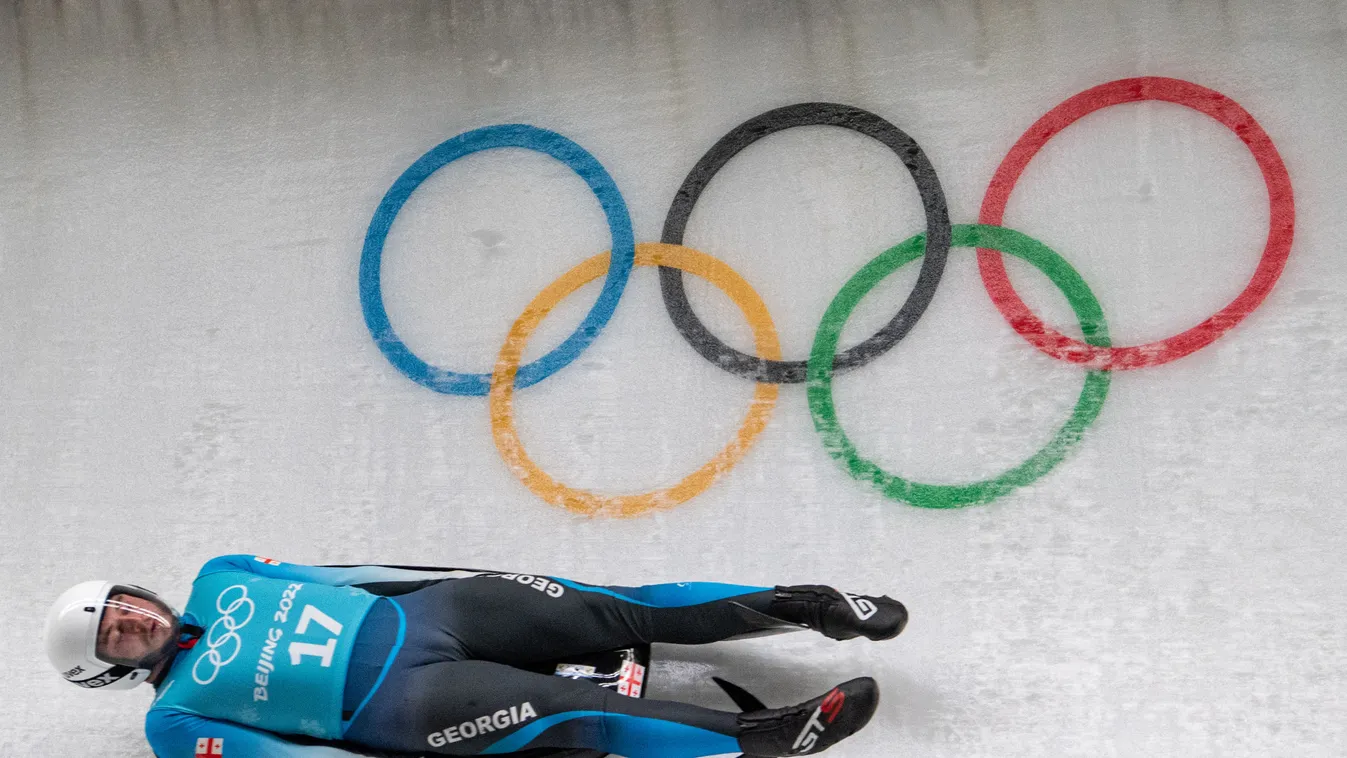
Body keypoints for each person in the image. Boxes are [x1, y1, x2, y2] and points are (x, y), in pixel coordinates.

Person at [44, 555, 908, 757]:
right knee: (579, 715)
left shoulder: (221, 573)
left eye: (124, 606)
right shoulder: (172, 720)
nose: (131, 621)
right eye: (114, 633)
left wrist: (458, 573)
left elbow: (355, 573)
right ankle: (760, 737)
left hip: (434, 613)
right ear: (110, 666)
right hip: (405, 703)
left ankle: (811, 608)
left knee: (614, 607)